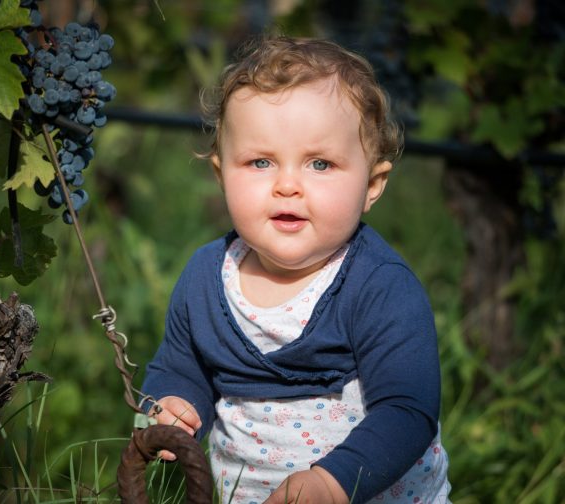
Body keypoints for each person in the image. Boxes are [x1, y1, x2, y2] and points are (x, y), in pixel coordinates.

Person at [141, 36, 451, 503]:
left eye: (320, 164)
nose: (287, 185)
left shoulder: (379, 285)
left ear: (373, 183)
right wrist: (174, 406)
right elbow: (182, 368)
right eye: (260, 162)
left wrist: (333, 481)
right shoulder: (206, 278)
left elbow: (408, 410)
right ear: (222, 175)